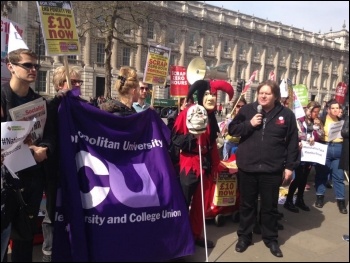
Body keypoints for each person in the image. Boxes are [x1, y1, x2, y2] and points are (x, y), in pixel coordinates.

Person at [228, 80, 299, 257]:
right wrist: (249, 124)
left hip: (272, 169)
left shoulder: (287, 114)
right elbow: (232, 129)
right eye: (261, 93)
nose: (263, 96)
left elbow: (292, 142)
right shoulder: (247, 110)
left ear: (275, 96)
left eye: (267, 93)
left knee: (270, 207)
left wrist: (289, 167)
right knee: (247, 205)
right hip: (248, 167)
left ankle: (271, 239)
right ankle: (244, 236)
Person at [1, 48, 56, 262]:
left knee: (24, 240)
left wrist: (45, 149)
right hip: (5, 181)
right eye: (27, 65)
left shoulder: (40, 102)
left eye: (35, 66)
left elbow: (49, 135)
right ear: (11, 67)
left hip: (31, 181)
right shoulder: (2, 96)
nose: (33, 69)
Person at [172, 80, 233, 248]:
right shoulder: (187, 113)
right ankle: (180, 242)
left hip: (205, 166)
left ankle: (195, 234)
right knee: (184, 203)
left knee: (200, 205)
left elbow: (212, 144)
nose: (211, 97)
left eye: (214, 95)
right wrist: (193, 136)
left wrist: (215, 165)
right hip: (189, 164)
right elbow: (175, 139)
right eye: (207, 94)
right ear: (200, 97)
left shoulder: (212, 117)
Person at [41, 66, 84, 262]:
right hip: (55, 170)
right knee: (52, 214)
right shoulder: (51, 105)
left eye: (79, 82)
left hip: (77, 169)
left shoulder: (82, 106)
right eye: (73, 82)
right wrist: (59, 98)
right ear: (60, 85)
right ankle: (48, 254)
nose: (78, 86)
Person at [284, 101, 324, 213]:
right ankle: (289, 200)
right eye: (314, 111)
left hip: (310, 154)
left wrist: (317, 127)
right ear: (309, 111)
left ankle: (300, 199)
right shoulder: (300, 120)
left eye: (318, 112)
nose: (316, 114)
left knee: (304, 178)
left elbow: (321, 135)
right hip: (300, 153)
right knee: (299, 177)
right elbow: (296, 133)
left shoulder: (316, 122)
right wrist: (307, 137)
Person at [315, 99, 347, 214]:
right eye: (332, 108)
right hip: (325, 147)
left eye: (337, 108)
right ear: (328, 109)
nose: (335, 110)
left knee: (338, 176)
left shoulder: (343, 120)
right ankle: (319, 197)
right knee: (322, 174)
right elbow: (316, 134)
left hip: (338, 148)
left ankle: (341, 201)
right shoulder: (322, 120)